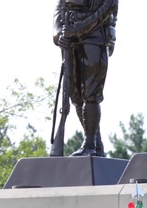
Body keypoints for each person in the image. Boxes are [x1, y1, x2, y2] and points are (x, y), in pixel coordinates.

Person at [54, 0, 119, 157]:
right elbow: (59, 8)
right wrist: (57, 34)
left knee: (91, 94)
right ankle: (96, 144)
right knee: (75, 96)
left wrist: (77, 30)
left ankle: (90, 144)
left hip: (95, 39)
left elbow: (107, 8)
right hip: (70, 41)